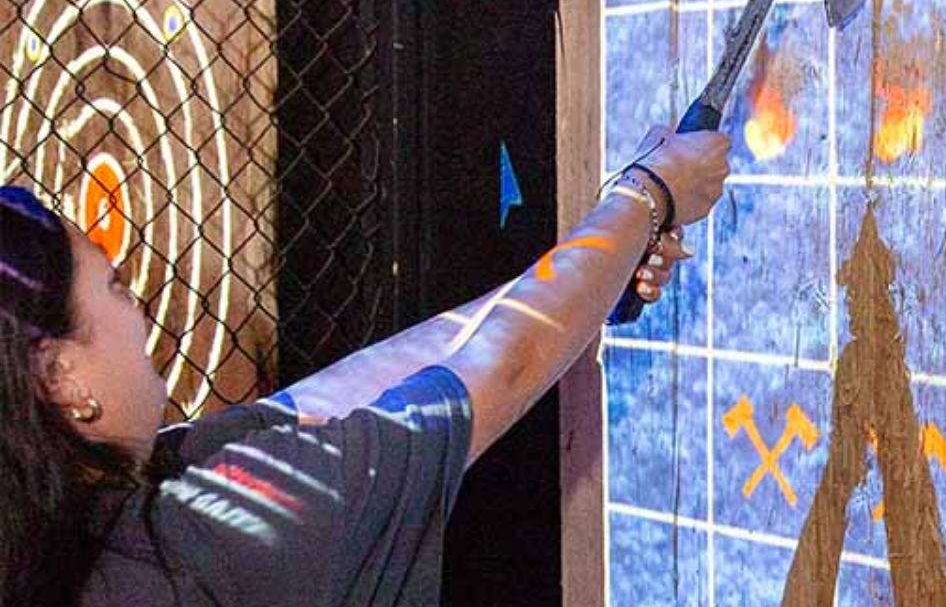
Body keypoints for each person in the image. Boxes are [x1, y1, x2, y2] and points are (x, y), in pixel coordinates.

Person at [0, 126, 730, 607]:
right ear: (63, 379)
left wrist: (599, 260)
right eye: (115, 288)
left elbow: (360, 389)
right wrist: (649, 191)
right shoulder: (212, 534)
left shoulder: (98, 514)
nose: (138, 310)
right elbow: (496, 373)